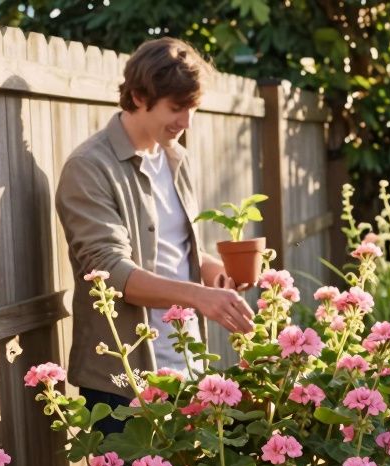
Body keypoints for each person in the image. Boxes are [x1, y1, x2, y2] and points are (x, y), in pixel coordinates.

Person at [55, 37, 254, 427]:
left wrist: (212, 273)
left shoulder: (174, 158)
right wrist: (200, 297)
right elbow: (110, 273)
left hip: (187, 364)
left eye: (192, 109)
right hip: (123, 380)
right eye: (176, 108)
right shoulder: (89, 167)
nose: (186, 122)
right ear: (139, 95)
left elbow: (174, 250)